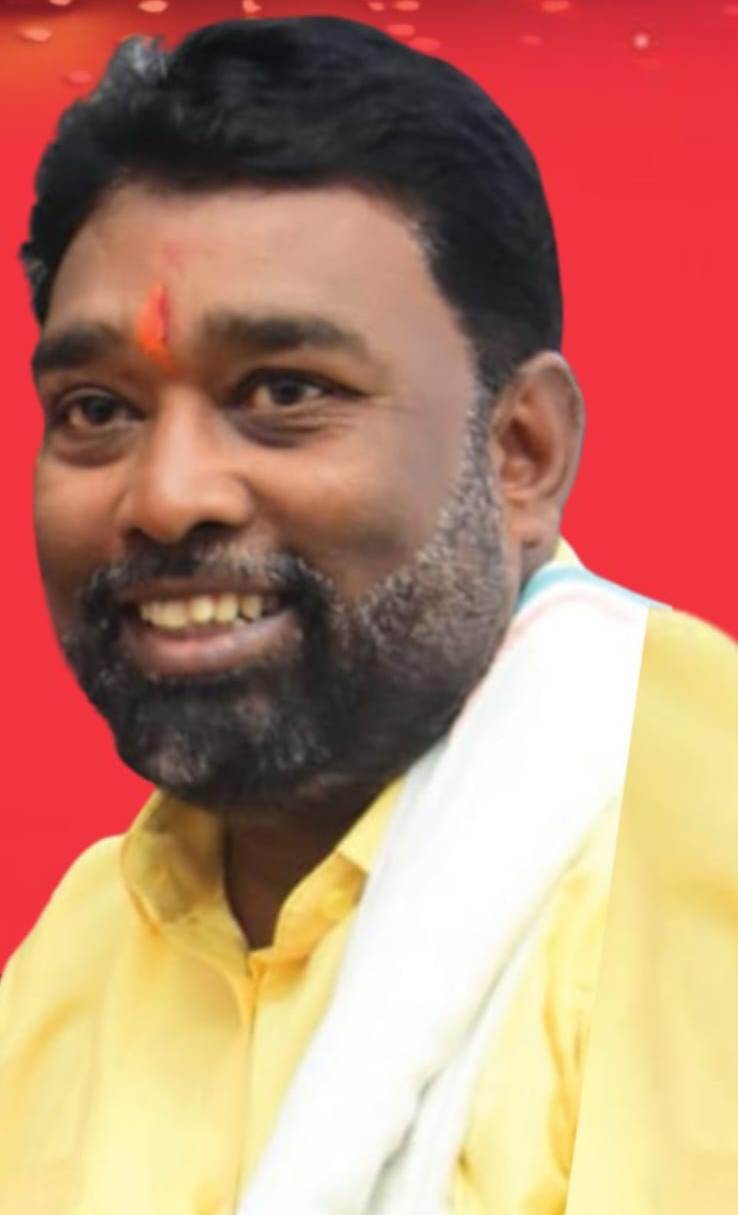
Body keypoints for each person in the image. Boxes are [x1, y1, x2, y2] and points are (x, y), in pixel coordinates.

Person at [0, 15, 736, 1215]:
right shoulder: (77, 955)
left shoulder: (694, 859)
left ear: (520, 452)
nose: (168, 496)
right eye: (96, 410)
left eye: (284, 392)